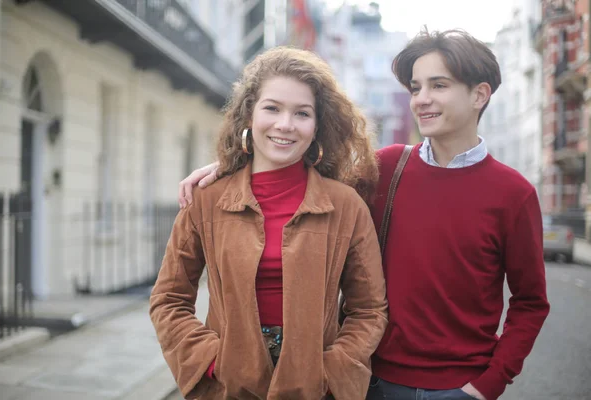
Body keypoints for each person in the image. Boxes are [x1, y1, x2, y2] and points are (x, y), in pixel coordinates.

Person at [177, 30, 550, 400]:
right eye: (416, 88)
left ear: (479, 95)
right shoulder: (385, 168)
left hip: (461, 387)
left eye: (438, 85)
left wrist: (488, 385)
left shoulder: (513, 194)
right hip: (376, 381)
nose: (422, 99)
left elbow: (531, 303)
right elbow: (302, 183)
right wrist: (229, 168)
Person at [149, 46, 388, 400]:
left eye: (302, 113)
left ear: (317, 125)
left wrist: (331, 373)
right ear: (249, 115)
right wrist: (213, 363)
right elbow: (168, 299)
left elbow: (369, 310)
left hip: (314, 391)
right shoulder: (206, 200)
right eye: (272, 108)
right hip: (228, 389)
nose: (285, 124)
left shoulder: (346, 206)